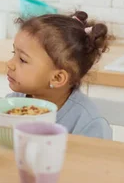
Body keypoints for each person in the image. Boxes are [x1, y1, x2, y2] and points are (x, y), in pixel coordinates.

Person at [6, 11, 112, 139]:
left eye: (23, 59)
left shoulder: (89, 124)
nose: (10, 64)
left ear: (57, 78)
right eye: (13, 52)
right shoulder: (13, 103)